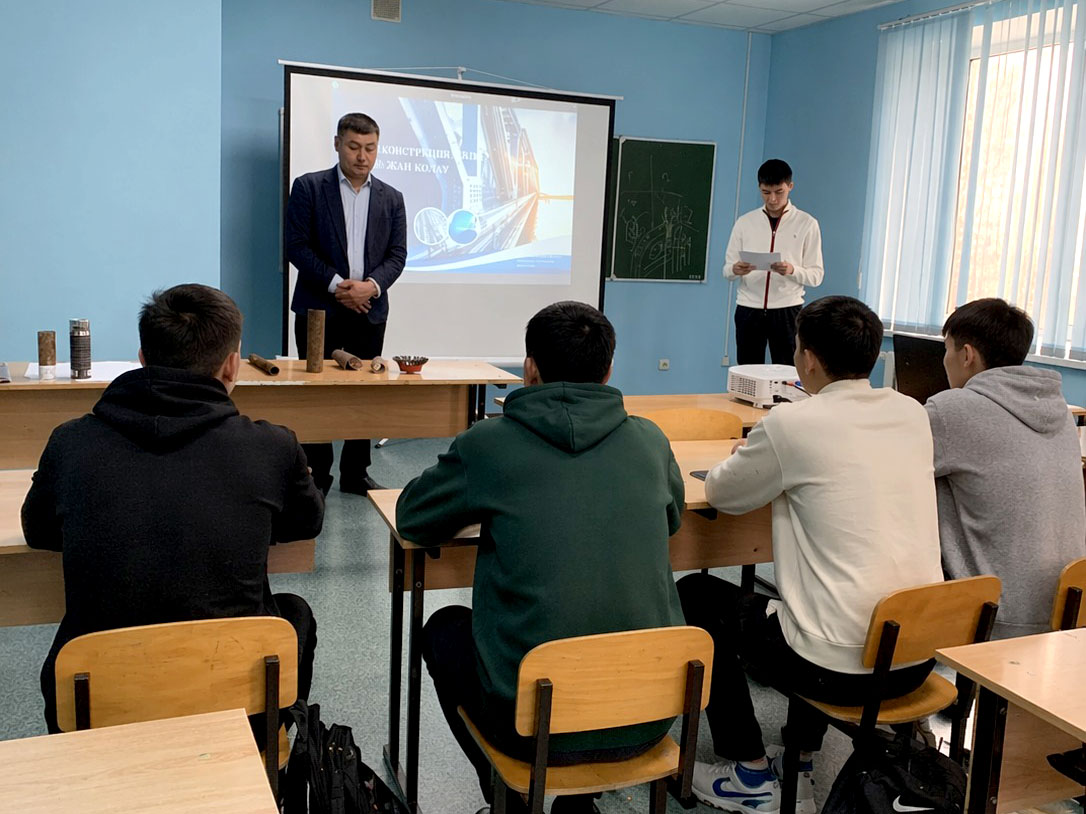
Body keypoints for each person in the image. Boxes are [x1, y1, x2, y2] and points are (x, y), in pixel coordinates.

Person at [396, 301, 685, 814]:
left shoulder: (489, 444)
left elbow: (413, 517)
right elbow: (673, 518)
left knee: (443, 630)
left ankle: (510, 801)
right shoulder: (650, 440)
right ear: (608, 370)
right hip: (649, 713)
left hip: (533, 726)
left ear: (529, 369)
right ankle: (578, 806)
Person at [678, 296, 943, 813]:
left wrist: (749, 457)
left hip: (837, 666)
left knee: (698, 595)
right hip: (915, 654)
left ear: (809, 359)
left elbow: (724, 494)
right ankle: (798, 759)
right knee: (821, 598)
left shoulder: (792, 424)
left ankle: (749, 770)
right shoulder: (912, 413)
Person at [22, 284, 324, 734]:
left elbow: (39, 531)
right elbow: (307, 521)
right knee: (293, 613)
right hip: (237, 714)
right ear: (231, 364)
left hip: (96, 712)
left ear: (142, 358)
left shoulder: (70, 442)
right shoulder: (272, 446)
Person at [926, 298, 1086, 638]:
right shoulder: (1059, 411)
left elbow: (890, 467)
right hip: (1069, 611)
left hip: (995, 617)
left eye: (946, 349)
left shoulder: (952, 409)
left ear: (967, 355)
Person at [285, 111, 407, 495]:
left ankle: (356, 473)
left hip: (370, 310)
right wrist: (339, 285)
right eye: (354, 146)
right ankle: (317, 475)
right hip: (318, 310)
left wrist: (370, 287)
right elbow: (296, 246)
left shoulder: (392, 198)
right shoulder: (309, 188)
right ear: (337, 144)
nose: (362, 156)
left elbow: (398, 255)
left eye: (370, 148)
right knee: (317, 393)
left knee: (363, 393)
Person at [724, 159, 824, 365]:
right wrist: (735, 269)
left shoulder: (807, 223)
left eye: (779, 192)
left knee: (789, 371)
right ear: (759, 188)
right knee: (748, 370)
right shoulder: (745, 223)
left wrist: (792, 270)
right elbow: (726, 270)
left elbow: (816, 276)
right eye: (766, 192)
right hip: (748, 308)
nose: (772, 199)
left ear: (790, 186)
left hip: (787, 309)